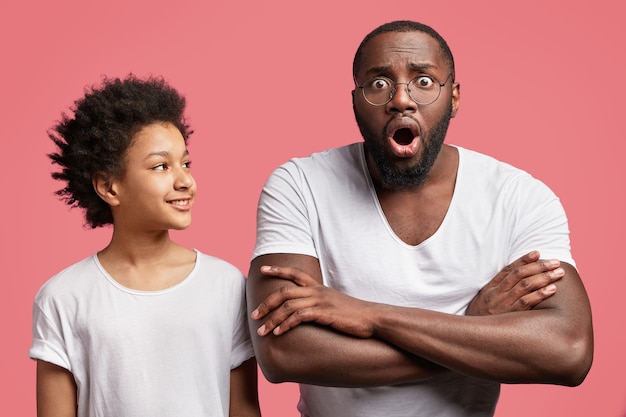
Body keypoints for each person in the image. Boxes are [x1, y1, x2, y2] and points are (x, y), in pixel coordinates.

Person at [246, 20, 593, 417]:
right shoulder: (299, 184)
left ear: (455, 98)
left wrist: (370, 316)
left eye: (424, 81)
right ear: (356, 101)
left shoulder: (518, 197)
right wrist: (470, 326)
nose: (401, 100)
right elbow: (285, 353)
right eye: (378, 84)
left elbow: (569, 352)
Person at [29, 75, 261, 417]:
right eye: (161, 166)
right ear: (109, 187)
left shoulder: (226, 284)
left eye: (185, 163)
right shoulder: (63, 298)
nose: (185, 181)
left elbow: (242, 408)